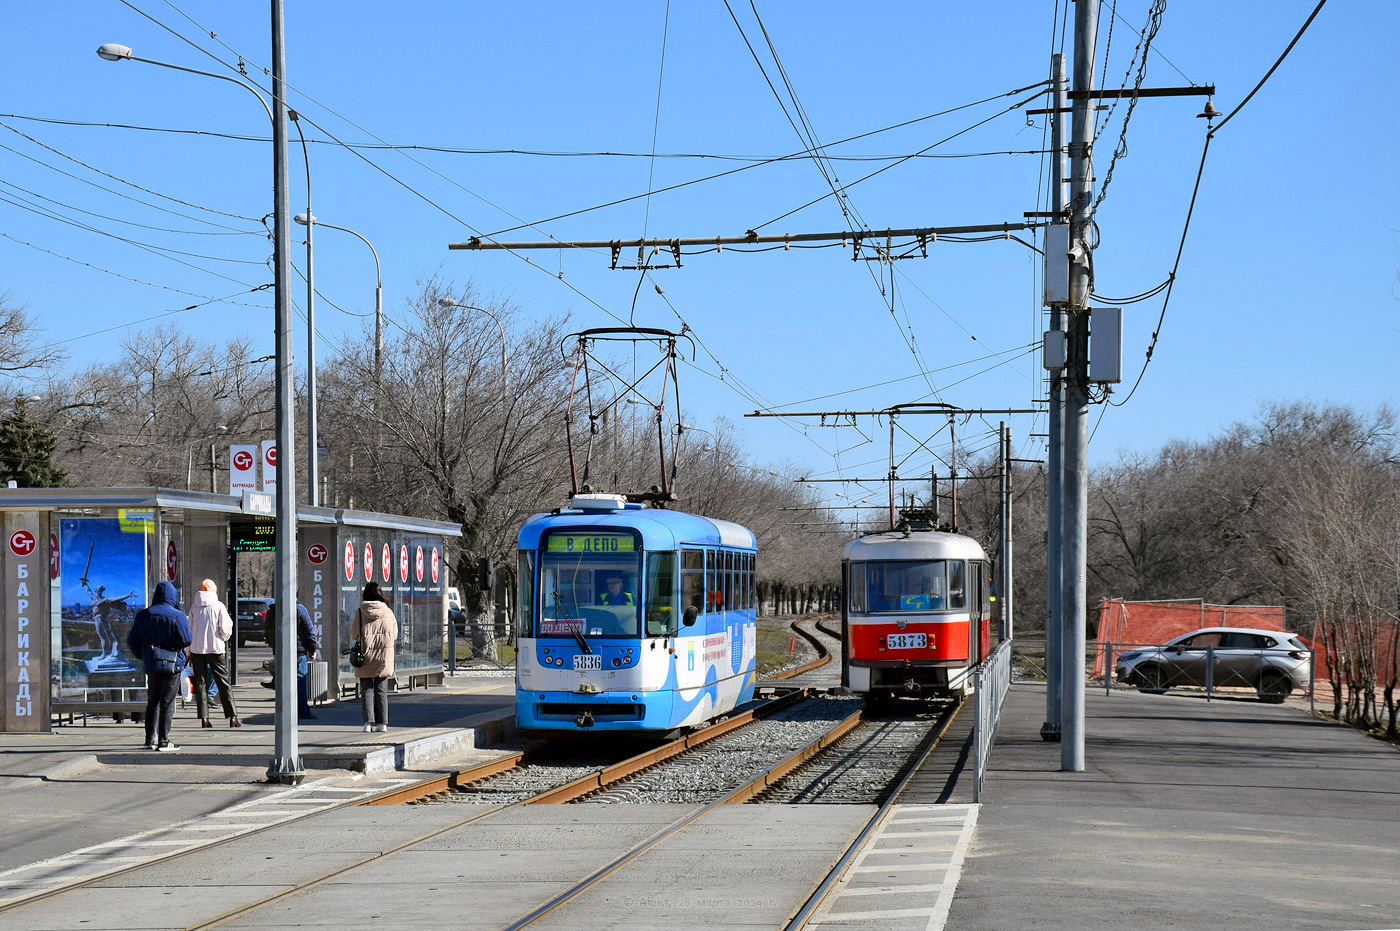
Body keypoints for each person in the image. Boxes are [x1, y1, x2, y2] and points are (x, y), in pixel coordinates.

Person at [126, 581, 192, 751]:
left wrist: (143, 655)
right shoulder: (177, 615)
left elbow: (132, 640)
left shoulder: (143, 615)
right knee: (167, 702)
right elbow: (186, 639)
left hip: (152, 663)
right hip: (172, 664)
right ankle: (164, 740)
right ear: (173, 596)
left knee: (152, 701)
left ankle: (149, 740)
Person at [188, 579, 240, 728]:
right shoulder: (218, 606)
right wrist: (222, 639)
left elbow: (189, 630)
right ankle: (232, 716)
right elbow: (226, 628)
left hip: (197, 650)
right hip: (215, 649)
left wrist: (188, 651)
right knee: (223, 682)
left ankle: (204, 719)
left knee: (200, 684)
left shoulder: (194, 607)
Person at [351, 581, 398, 733]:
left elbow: (354, 634)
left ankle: (367, 723)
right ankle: (383, 724)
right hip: (384, 657)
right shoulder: (388, 612)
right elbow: (395, 634)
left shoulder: (360, 611)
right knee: (381, 690)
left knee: (366, 689)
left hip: (365, 655)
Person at [265, 601, 321, 720]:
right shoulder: (300, 609)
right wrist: (312, 649)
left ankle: (283, 711)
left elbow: (267, 631)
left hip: (279, 650)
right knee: (300, 680)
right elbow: (309, 630)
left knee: (283, 680)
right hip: (298, 650)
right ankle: (303, 712)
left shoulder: (273, 609)